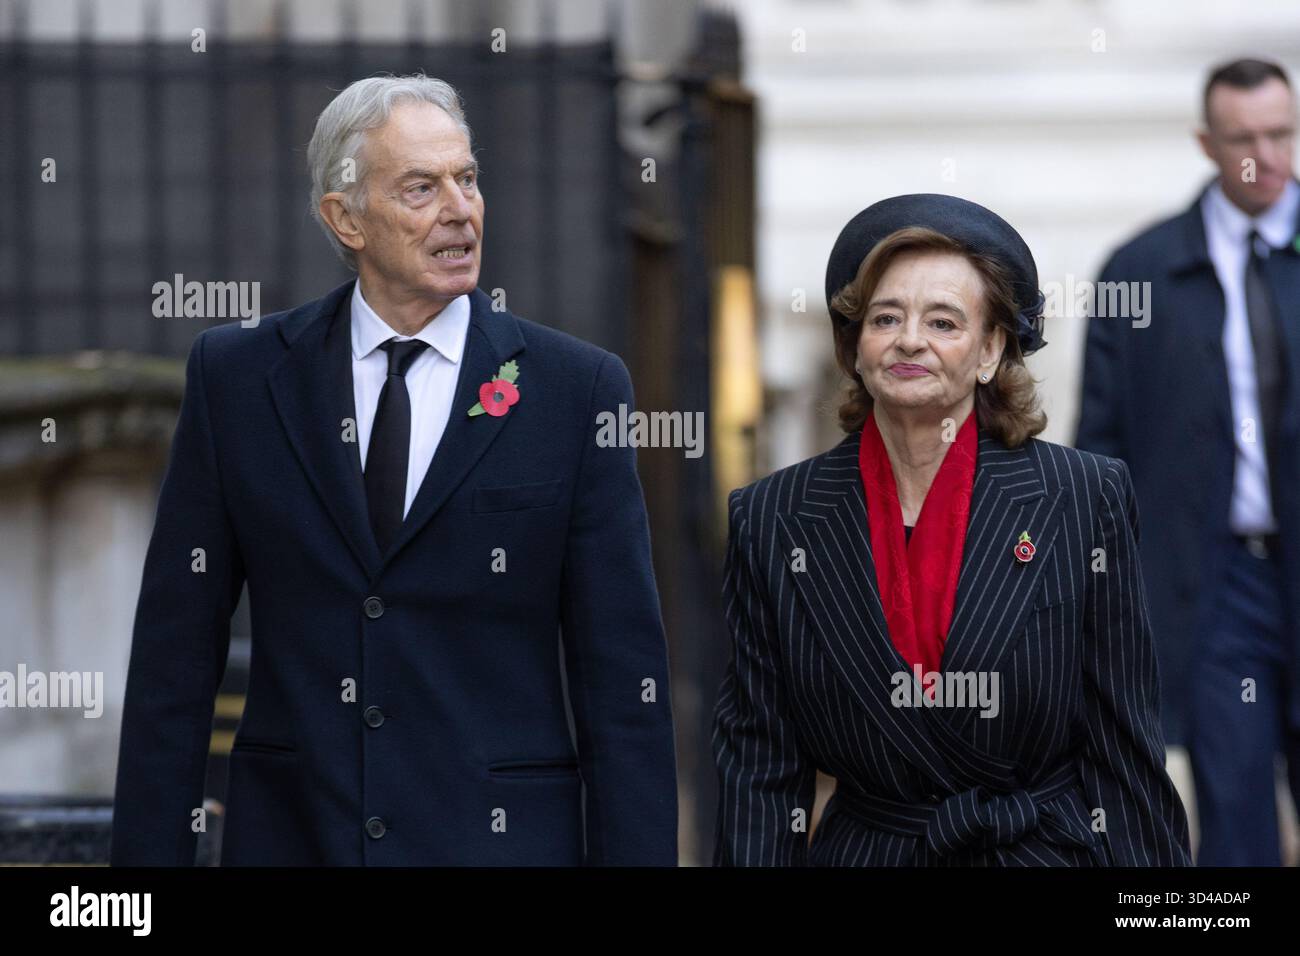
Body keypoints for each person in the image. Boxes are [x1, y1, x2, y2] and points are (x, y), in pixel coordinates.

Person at [109, 74, 677, 866]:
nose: (460, 209)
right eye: (421, 187)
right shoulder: (237, 379)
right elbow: (174, 661)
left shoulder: (576, 391)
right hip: (295, 839)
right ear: (346, 218)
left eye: (468, 179)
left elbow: (624, 687)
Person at [712, 193, 1191, 866]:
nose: (910, 339)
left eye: (943, 321)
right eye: (886, 318)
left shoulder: (1083, 497)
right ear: (856, 346)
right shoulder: (772, 518)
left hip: (1035, 851)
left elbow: (1125, 748)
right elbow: (759, 762)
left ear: (992, 350)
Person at [1076, 57, 1300, 866]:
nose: (1264, 157)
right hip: (1213, 587)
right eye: (1242, 139)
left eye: (1279, 134)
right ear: (1207, 144)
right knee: (1234, 819)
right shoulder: (1139, 273)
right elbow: (1100, 450)